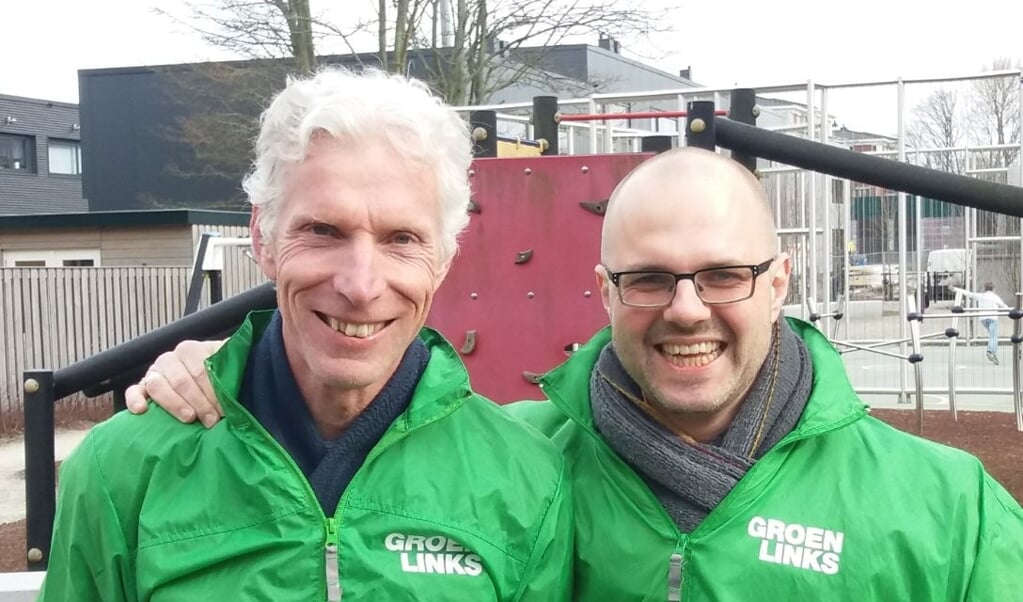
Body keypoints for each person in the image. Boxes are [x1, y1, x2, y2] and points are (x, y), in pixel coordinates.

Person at [129, 148, 1023, 600]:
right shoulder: (514, 462)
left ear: (779, 281)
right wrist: (229, 372)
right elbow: (335, 426)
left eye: (721, 274)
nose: (684, 307)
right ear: (601, 291)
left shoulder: (949, 510)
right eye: (646, 278)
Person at [40, 68, 573, 601]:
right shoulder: (122, 470)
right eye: (323, 230)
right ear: (262, 235)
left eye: (402, 238)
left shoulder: (527, 476)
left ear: (444, 259)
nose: (361, 286)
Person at [951, 282, 1011, 365]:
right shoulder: (995, 297)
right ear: (993, 289)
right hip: (992, 318)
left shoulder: (981, 296)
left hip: (983, 319)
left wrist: (955, 289)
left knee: (992, 335)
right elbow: (1003, 306)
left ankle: (993, 352)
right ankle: (991, 351)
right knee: (994, 336)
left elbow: (969, 294)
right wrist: (1011, 312)